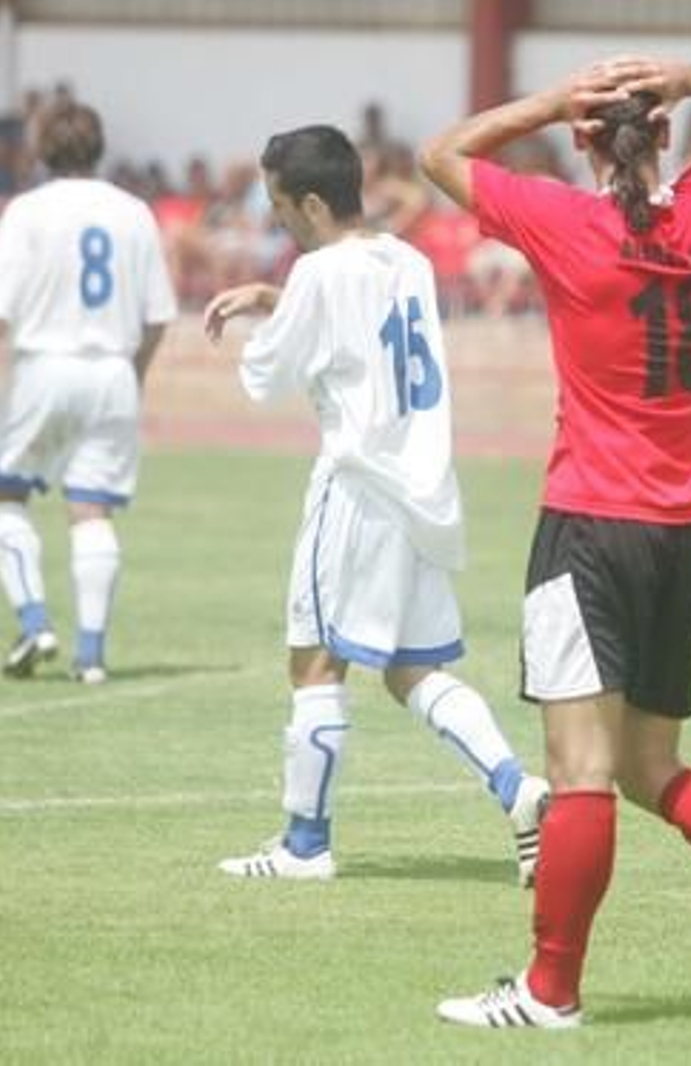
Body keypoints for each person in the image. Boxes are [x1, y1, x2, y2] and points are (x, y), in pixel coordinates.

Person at [419, 55, 691, 1029]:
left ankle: (550, 990)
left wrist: (546, 100)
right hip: (684, 530)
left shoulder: (570, 224)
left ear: (582, 137)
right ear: (664, 134)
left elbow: (438, 154)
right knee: (648, 765)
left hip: (590, 526)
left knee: (579, 771)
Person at [201, 125, 550, 884]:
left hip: (355, 486)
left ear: (315, 202)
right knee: (412, 670)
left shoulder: (320, 275)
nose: (278, 221)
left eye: (281, 206)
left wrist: (272, 309)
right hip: (419, 491)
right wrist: (282, 297)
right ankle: (518, 788)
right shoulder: (410, 261)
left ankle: (305, 845)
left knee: (314, 664)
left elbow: (266, 375)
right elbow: (360, 327)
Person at [0, 101, 175, 683]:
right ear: (98, 147)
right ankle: (92, 655)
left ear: (40, 149)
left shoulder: (27, 211)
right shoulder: (135, 212)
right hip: (112, 373)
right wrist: (136, 375)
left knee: (2, 494)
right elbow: (157, 317)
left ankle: (35, 623)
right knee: (91, 509)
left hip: (45, 366)